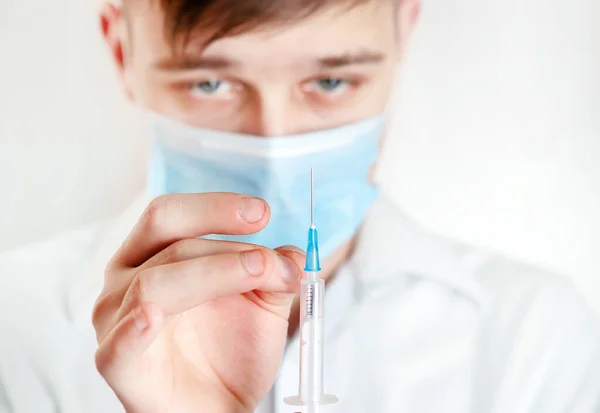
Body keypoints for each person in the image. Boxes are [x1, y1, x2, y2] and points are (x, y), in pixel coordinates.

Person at [0, 0, 599, 412]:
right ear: (122, 50)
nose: (276, 144)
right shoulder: (16, 328)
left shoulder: (530, 336)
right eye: (209, 83)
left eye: (331, 83)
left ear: (404, 30)